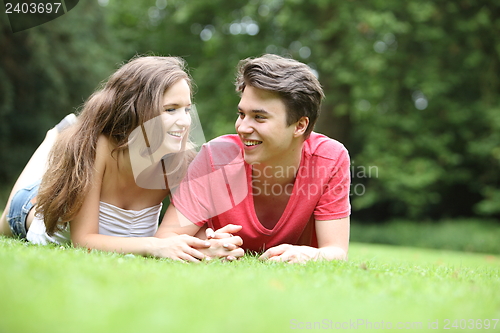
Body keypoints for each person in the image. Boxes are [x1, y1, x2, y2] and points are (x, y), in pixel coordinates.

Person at [0, 56, 243, 262]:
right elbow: (83, 241)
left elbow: (183, 231)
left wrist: (210, 242)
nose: (185, 121)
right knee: (9, 217)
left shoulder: (179, 163)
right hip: (30, 209)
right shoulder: (98, 148)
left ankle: (62, 134)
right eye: (171, 109)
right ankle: (56, 135)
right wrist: (154, 246)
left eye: (187, 109)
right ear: (138, 109)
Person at [156, 54, 350, 263]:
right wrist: (205, 248)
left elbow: (336, 251)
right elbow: (165, 239)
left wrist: (311, 255)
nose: (243, 128)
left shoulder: (330, 159)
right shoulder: (214, 158)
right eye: (241, 114)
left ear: (300, 125)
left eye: (259, 117)